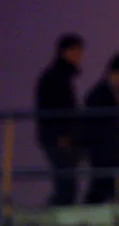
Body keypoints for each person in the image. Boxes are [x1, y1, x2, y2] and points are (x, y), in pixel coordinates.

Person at [34, 33, 84, 206]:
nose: (79, 56)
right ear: (64, 52)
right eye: (76, 51)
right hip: (60, 140)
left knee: (66, 186)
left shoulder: (59, 76)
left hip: (62, 139)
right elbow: (52, 109)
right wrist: (61, 135)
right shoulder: (56, 77)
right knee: (66, 188)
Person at [83, 51, 119, 204]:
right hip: (105, 152)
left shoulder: (113, 93)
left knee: (100, 190)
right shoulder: (101, 94)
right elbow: (102, 124)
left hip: (109, 152)